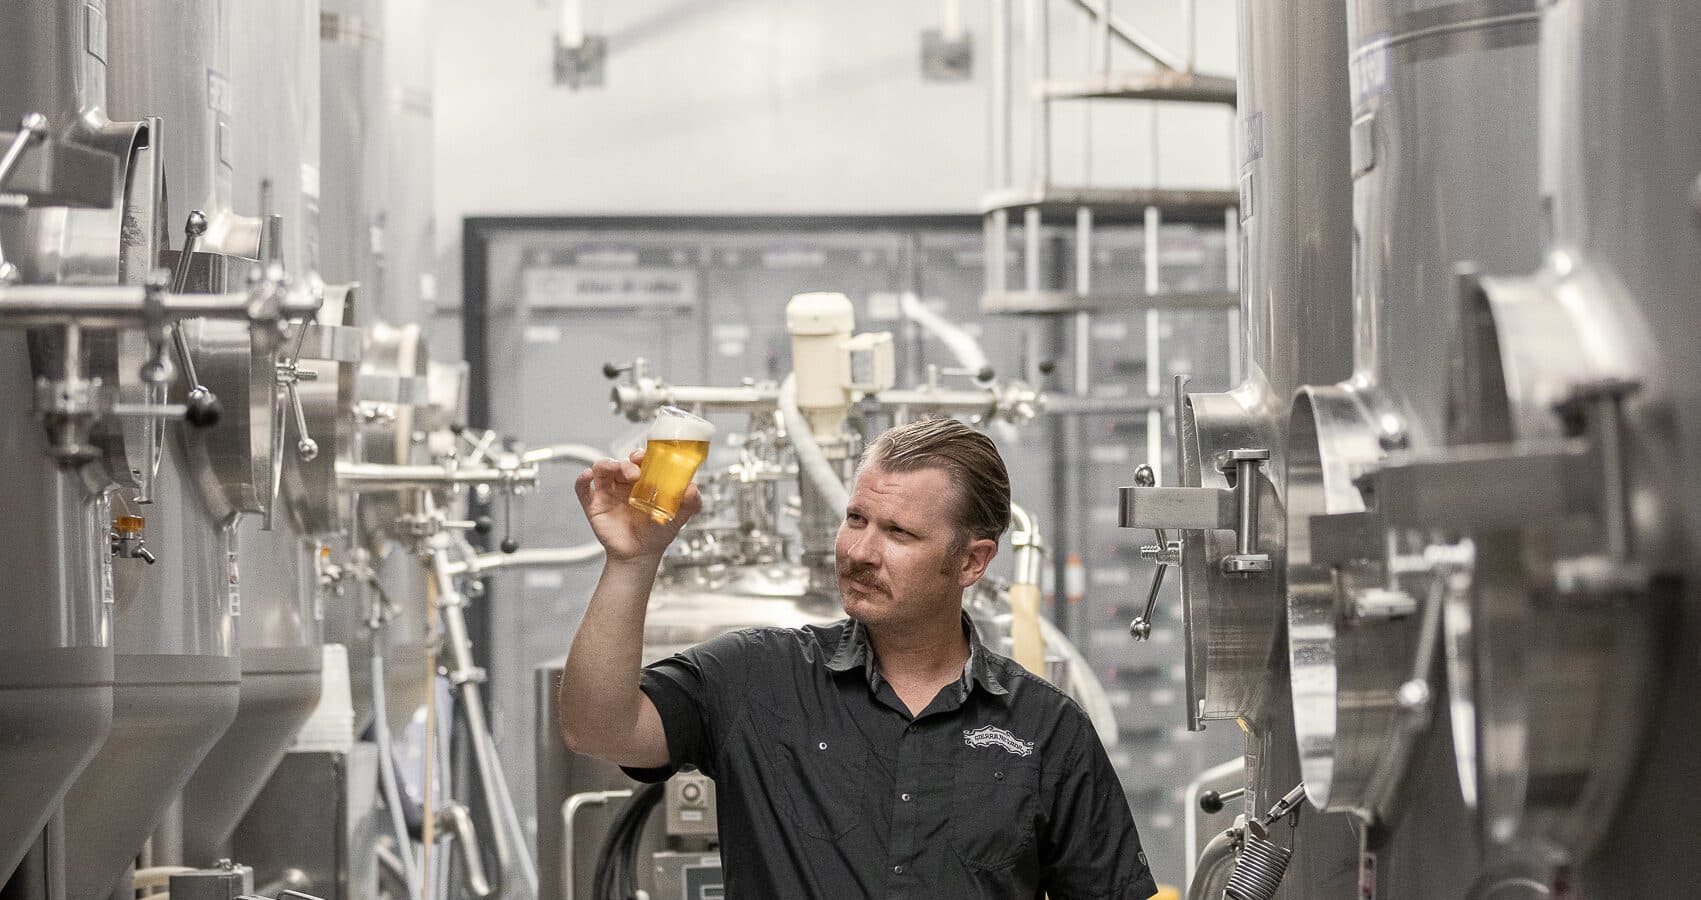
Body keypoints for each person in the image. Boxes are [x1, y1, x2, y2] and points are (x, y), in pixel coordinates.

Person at [561, 416, 1158, 898]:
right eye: (855, 519)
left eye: (898, 533)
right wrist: (632, 561)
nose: (860, 551)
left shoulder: (1046, 729)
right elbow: (598, 729)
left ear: (973, 561)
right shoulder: (758, 675)